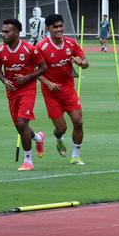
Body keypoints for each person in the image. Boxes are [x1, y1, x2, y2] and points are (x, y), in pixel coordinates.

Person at [0, 18, 47, 171]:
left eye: (7, 32)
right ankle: (38, 137)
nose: (4, 34)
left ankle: (28, 161)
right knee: (20, 127)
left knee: (22, 123)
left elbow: (43, 68)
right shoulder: (0, 50)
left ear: (17, 33)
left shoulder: (30, 49)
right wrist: (4, 80)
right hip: (11, 92)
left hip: (28, 90)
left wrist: (27, 77)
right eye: (3, 31)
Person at [36, 14, 90, 165]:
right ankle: (58, 138)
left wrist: (81, 63)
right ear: (48, 28)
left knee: (78, 122)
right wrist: (47, 82)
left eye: (60, 26)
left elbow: (86, 63)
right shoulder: (41, 48)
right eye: (55, 27)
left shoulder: (71, 44)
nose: (59, 29)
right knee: (61, 128)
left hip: (68, 90)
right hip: (51, 93)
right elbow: (33, 70)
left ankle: (75, 156)